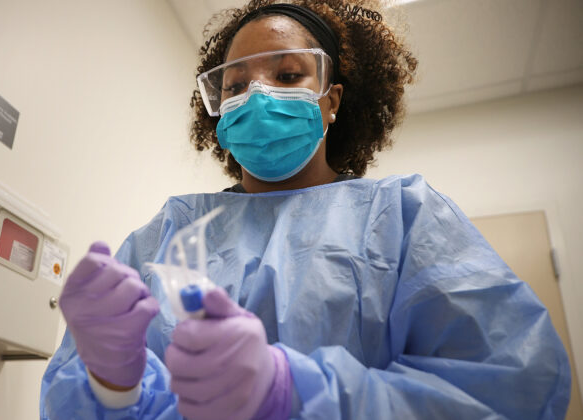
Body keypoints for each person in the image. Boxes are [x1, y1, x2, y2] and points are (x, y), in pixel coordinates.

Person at [40, 1, 572, 419]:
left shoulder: (403, 217)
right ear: (219, 115)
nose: (257, 96)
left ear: (331, 99)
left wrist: (289, 392)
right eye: (236, 85)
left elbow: (509, 387)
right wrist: (114, 385)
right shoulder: (170, 232)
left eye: (288, 75)